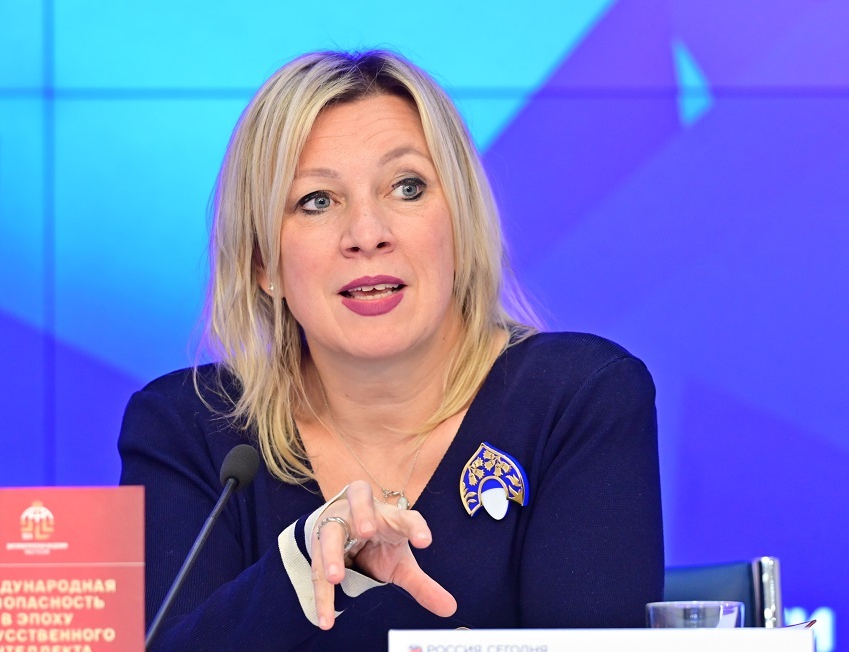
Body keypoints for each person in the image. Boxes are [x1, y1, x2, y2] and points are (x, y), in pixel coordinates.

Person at [119, 49, 663, 650]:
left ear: (460, 225)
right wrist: (303, 567)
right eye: (317, 200)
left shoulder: (578, 398)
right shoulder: (191, 429)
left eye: (407, 187)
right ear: (262, 262)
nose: (367, 234)